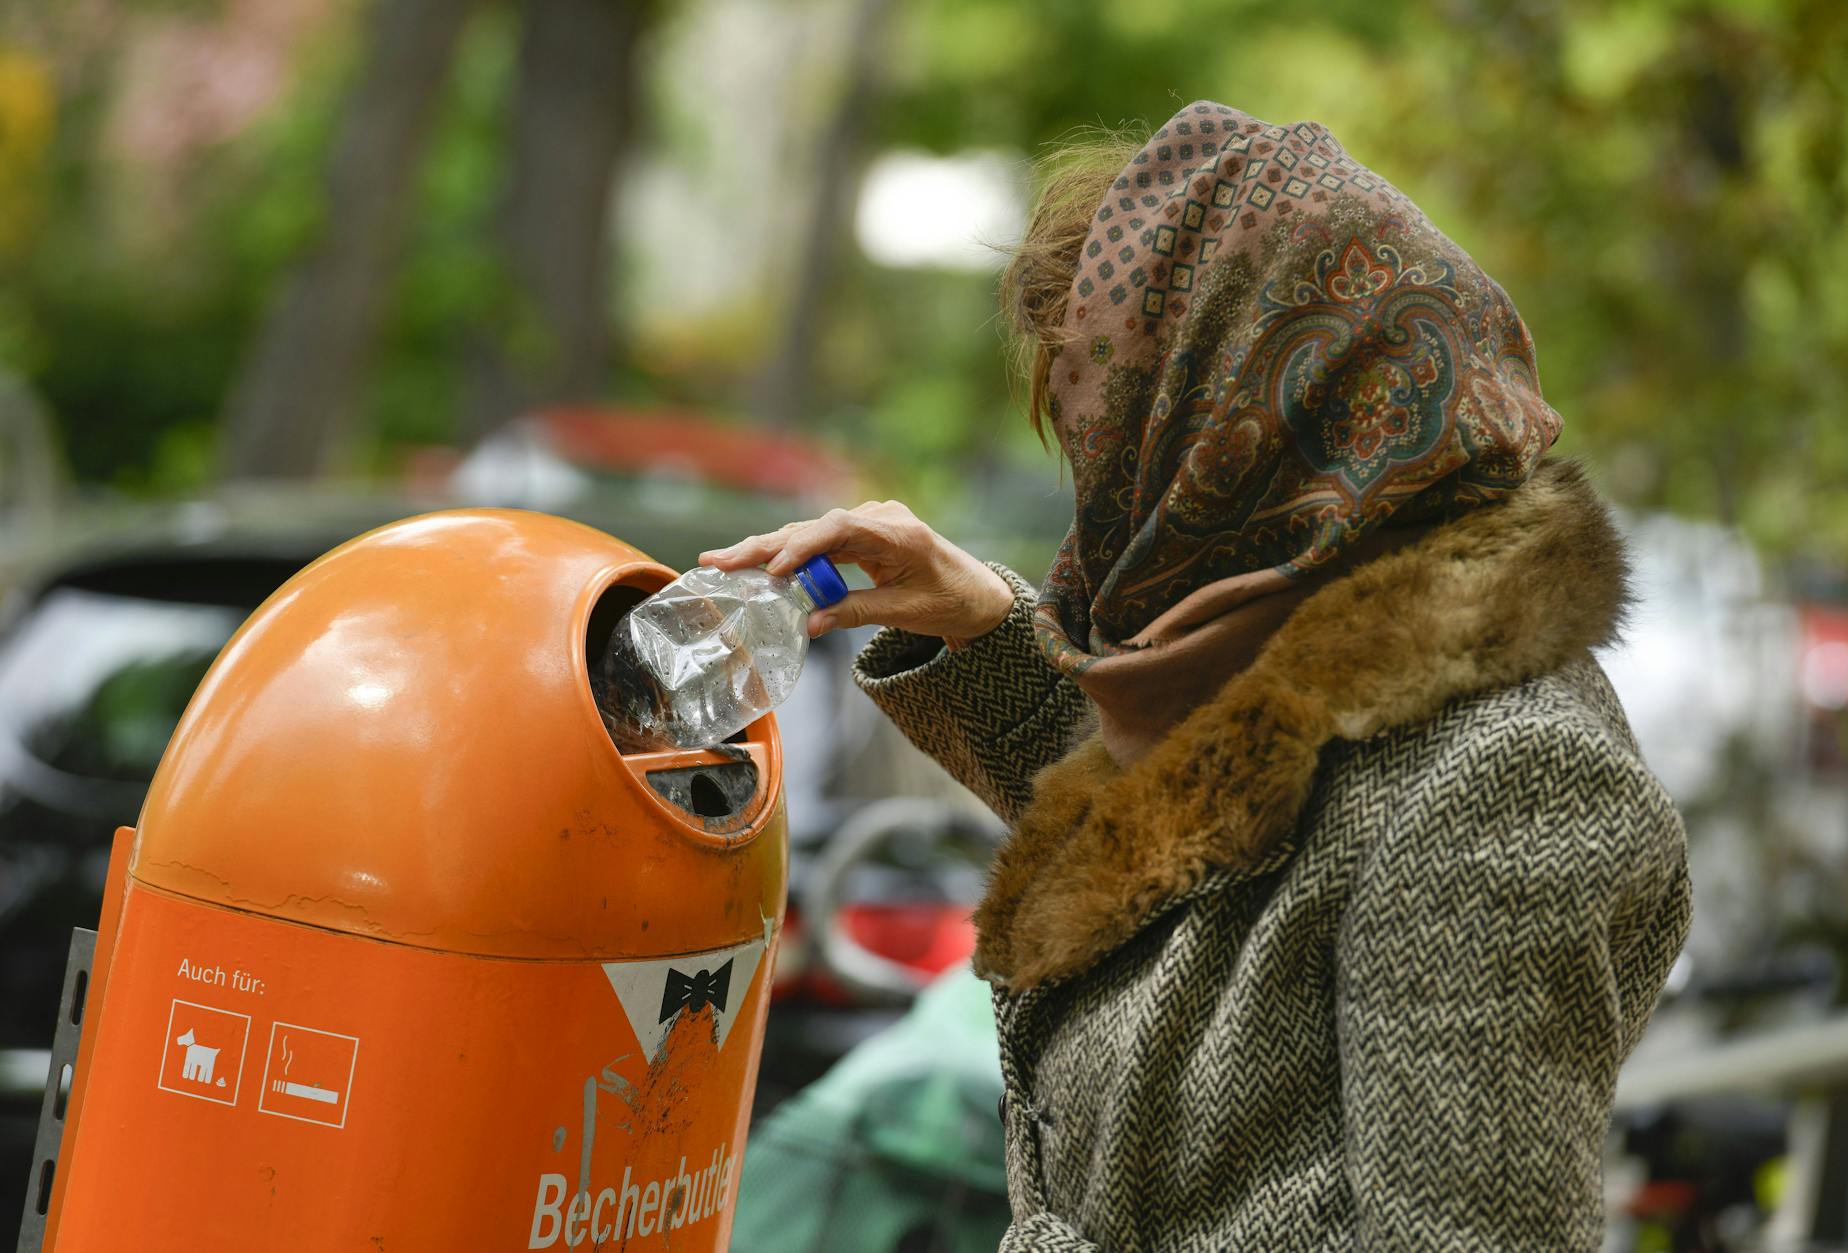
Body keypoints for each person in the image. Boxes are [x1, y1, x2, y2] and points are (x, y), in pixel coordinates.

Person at [703, 102, 1691, 1250]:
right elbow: (1200, 876)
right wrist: (984, 630)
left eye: (1124, 438)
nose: (1108, 494)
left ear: (1237, 420)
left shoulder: (1508, 779)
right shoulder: (1308, 650)